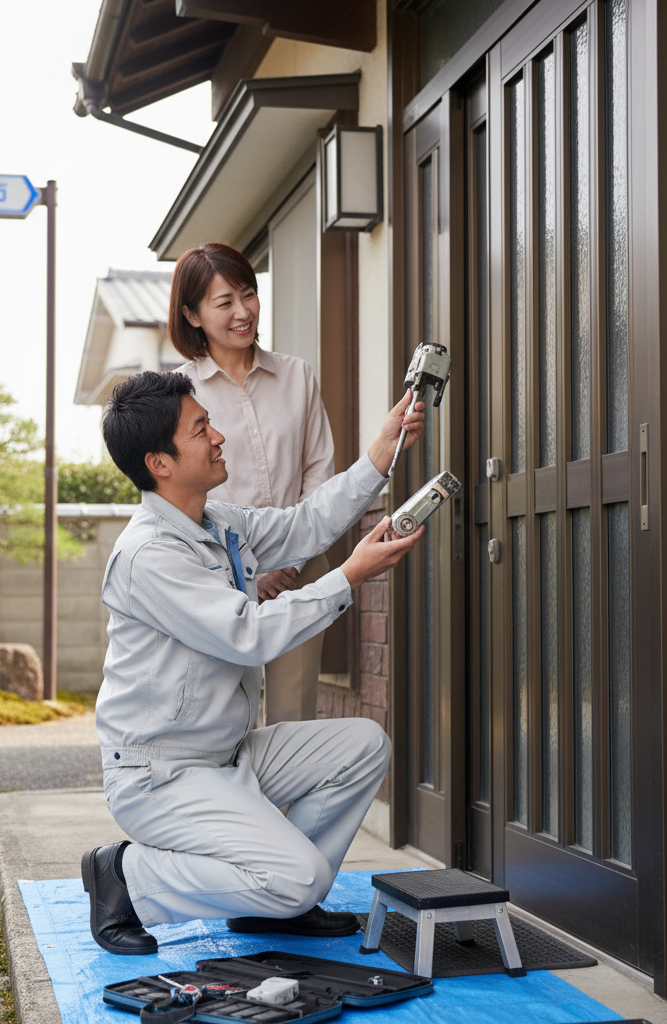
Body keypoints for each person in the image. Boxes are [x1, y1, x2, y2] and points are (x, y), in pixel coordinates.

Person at [82, 370, 426, 955]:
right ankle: (126, 878)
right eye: (200, 429)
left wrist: (379, 455)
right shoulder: (148, 555)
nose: (218, 437)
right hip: (160, 774)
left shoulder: (218, 525)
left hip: (226, 757)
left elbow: (305, 524)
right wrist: (351, 576)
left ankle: (274, 905)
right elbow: (248, 635)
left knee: (363, 744)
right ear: (159, 462)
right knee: (301, 877)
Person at [171, 242, 334, 724]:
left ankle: (285, 804)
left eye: (249, 294)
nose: (243, 312)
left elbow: (319, 470)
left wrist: (288, 560)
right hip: (215, 579)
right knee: (219, 718)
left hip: (299, 574)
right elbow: (181, 493)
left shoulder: (297, 376)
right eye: (224, 303)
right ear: (193, 315)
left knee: (292, 716)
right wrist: (248, 571)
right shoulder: (177, 392)